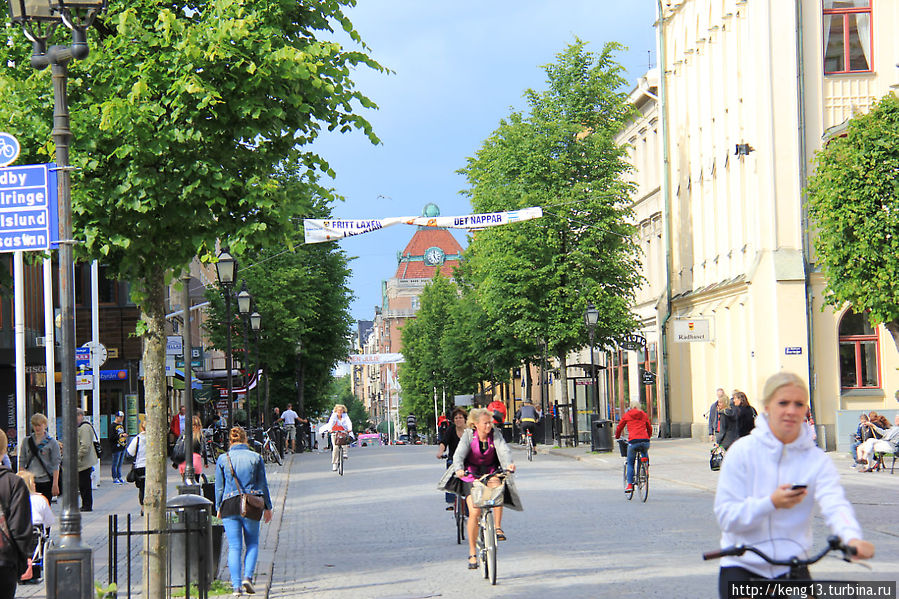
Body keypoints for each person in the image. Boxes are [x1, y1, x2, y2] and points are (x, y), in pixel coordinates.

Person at [713, 372, 873, 597]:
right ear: (767, 407)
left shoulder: (814, 459)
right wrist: (770, 502)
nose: (791, 410)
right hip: (743, 564)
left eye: (799, 404)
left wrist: (851, 537)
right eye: (783, 403)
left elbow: (835, 504)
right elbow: (726, 516)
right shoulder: (742, 452)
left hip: (791, 564)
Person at [438, 407, 521, 569]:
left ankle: (497, 527)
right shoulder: (469, 435)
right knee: (474, 511)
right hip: (470, 473)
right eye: (485, 423)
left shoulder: (495, 434)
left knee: (497, 488)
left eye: (490, 423)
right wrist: (459, 468)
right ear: (476, 424)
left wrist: (508, 464)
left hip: (490, 471)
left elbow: (503, 450)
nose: (489, 426)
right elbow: (459, 455)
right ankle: (472, 553)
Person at [215, 427, 273, 597]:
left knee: (234, 546)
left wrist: (219, 507)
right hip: (251, 504)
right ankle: (248, 576)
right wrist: (268, 507)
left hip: (229, 503)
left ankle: (236, 587)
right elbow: (263, 485)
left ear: (230, 441)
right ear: (246, 440)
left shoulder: (223, 459)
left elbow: (219, 487)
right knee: (253, 543)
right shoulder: (256, 457)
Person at [0, 429, 32, 599]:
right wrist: (21, 561)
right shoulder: (14, 483)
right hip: (4, 562)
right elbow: (20, 527)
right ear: (4, 451)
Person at [16, 413, 60, 503]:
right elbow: (22, 461)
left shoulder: (52, 443)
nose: (37, 428)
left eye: (39, 425)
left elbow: (56, 464)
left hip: (46, 480)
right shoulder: (26, 441)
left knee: (45, 506)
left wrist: (55, 484)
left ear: (45, 425)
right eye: (35, 425)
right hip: (30, 481)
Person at [614, 400, 652, 493]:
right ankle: (645, 467)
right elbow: (649, 427)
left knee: (630, 462)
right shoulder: (643, 414)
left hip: (633, 441)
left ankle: (630, 485)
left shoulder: (627, 415)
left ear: (630, 406)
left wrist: (617, 436)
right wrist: (648, 436)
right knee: (644, 451)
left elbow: (620, 426)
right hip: (644, 440)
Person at [436, 408, 468, 510]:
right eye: (456, 418)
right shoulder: (451, 430)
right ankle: (450, 502)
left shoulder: (470, 431)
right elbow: (444, 442)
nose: (458, 420)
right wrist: (441, 452)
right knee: (451, 476)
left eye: (460, 418)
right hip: (454, 460)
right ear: (453, 420)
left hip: (468, 460)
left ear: (465, 419)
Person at [318, 404, 353, 472]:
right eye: (338, 410)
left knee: (345, 441)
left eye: (341, 410)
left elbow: (348, 422)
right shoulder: (334, 416)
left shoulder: (345, 416)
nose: (340, 412)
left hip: (343, 431)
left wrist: (349, 429)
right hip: (334, 432)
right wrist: (330, 430)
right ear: (336, 411)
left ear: (343, 411)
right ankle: (334, 463)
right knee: (335, 447)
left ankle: (345, 453)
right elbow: (331, 423)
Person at [76, 408, 99, 512]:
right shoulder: (82, 427)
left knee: (84, 484)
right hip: (83, 461)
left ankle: (87, 505)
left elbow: (85, 445)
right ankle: (86, 504)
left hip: (84, 461)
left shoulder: (84, 427)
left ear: (80, 416)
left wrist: (77, 457)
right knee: (83, 484)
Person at [173, 415, 208, 482]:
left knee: (185, 481)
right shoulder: (200, 435)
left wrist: (175, 463)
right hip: (196, 460)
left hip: (183, 459)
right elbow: (203, 449)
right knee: (196, 481)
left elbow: (178, 447)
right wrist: (205, 462)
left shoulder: (184, 434)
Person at [126, 419, 148, 511]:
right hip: (151, 466)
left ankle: (143, 508)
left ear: (142, 427)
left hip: (140, 466)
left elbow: (130, 452)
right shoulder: (155, 438)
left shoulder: (137, 439)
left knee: (142, 488)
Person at [110, 411, 128, 484]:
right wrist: (121, 436)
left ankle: (119, 476)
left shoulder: (121, 426)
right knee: (115, 463)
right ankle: (115, 477)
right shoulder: (113, 426)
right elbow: (111, 437)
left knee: (120, 463)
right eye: (120, 417)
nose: (122, 418)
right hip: (116, 447)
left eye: (122, 417)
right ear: (116, 417)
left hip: (122, 446)